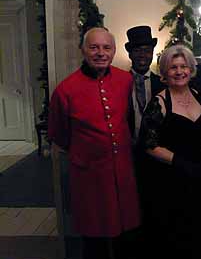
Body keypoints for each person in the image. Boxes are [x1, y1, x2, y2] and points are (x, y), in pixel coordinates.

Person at [48, 27, 140, 259]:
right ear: (83, 50)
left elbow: (129, 119)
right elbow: (59, 135)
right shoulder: (65, 90)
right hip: (89, 178)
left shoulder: (125, 80)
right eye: (94, 47)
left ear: (114, 50)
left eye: (106, 47)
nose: (100, 53)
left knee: (125, 236)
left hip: (123, 173)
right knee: (94, 240)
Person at [137, 45, 201, 259]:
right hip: (170, 180)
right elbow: (149, 144)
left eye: (183, 66)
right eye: (173, 67)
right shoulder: (159, 102)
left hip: (200, 178)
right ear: (164, 73)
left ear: (191, 70)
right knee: (174, 237)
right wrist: (181, 163)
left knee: (200, 234)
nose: (179, 71)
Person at [125, 25, 164, 142]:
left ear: (152, 53)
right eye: (137, 51)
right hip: (127, 148)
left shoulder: (162, 84)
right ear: (130, 54)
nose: (142, 55)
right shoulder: (120, 82)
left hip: (156, 149)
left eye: (147, 51)